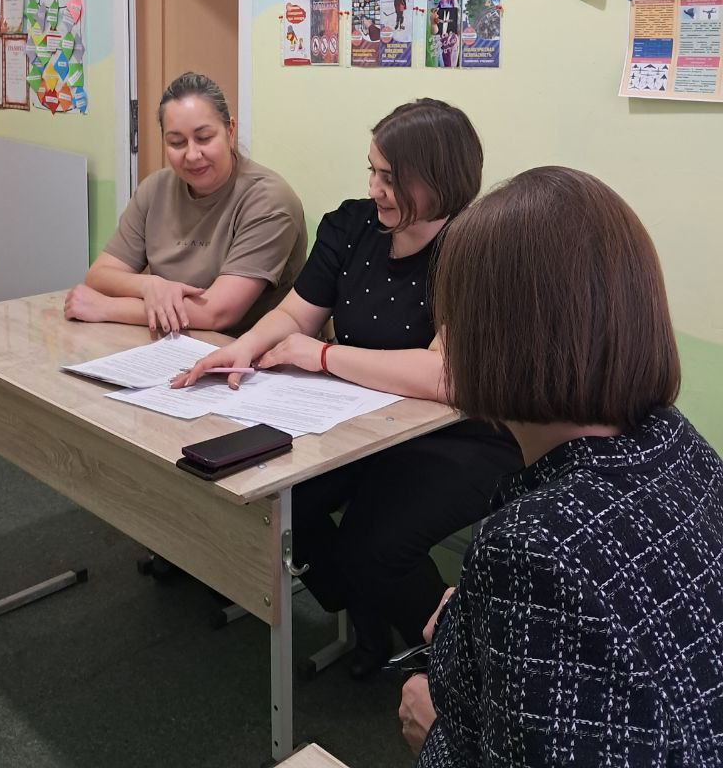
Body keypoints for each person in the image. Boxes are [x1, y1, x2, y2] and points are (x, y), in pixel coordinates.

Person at [175, 99, 522, 676]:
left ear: (440, 179)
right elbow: (297, 313)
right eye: (372, 171)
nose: (375, 189)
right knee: (282, 501)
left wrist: (325, 356)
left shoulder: (475, 248)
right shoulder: (352, 225)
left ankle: (456, 665)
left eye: (391, 178)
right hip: (359, 420)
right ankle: (366, 613)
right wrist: (245, 346)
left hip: (462, 436)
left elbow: (447, 378)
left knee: (375, 542)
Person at [399, 167, 723, 765]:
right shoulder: (679, 443)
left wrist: (435, 732)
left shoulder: (533, 549)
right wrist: (468, 625)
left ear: (493, 339)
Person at [64, 71, 307, 337]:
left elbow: (217, 313)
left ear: (230, 131)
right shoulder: (154, 189)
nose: (192, 155)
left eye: (204, 138)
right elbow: (99, 275)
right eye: (177, 142)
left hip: (248, 351)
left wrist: (106, 307)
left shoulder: (269, 200)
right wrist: (150, 286)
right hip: (172, 341)